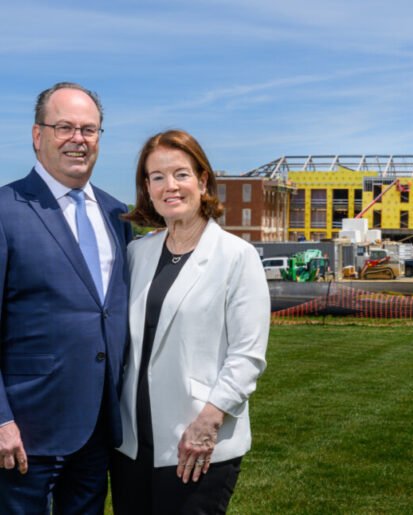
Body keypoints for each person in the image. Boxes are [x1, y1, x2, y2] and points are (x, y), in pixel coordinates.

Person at [0, 82, 132, 513]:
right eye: (64, 127)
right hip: (24, 428)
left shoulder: (117, 214)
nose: (78, 139)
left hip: (98, 427)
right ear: (38, 135)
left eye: (89, 129)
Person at [113, 130, 270, 514]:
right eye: (157, 177)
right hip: (131, 446)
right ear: (147, 189)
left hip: (197, 442)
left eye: (181, 174)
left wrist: (208, 423)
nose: (170, 186)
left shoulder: (237, 256)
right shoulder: (137, 253)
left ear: (202, 181)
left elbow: (247, 356)